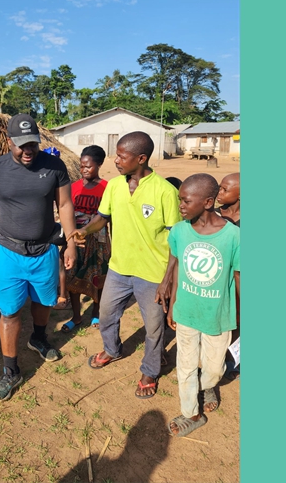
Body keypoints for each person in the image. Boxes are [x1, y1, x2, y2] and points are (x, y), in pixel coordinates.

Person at [71, 131, 181, 399]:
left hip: (153, 273)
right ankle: (112, 349)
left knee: (154, 327)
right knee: (107, 314)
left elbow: (177, 240)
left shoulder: (165, 191)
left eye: (122, 156)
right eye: (116, 155)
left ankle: (150, 371)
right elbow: (101, 217)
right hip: (118, 268)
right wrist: (85, 231)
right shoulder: (115, 186)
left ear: (141, 158)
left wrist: (167, 280)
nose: (116, 160)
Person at [0, 114, 78, 402]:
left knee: (44, 302)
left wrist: (70, 243)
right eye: (21, 145)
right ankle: (11, 371)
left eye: (32, 143)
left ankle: (39, 338)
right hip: (8, 252)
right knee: (9, 312)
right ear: (9, 142)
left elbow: (66, 204)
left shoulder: (54, 166)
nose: (27, 150)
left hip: (45, 249)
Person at [157, 174, 240, 437]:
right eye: (180, 199)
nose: (180, 205)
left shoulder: (234, 236)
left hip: (218, 315)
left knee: (215, 369)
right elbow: (178, 263)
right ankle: (191, 412)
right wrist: (172, 306)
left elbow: (239, 278)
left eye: (185, 200)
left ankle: (207, 386)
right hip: (187, 311)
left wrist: (241, 314)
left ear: (207, 202)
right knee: (186, 365)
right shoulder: (180, 231)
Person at [59, 145, 110, 332]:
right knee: (72, 275)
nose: (84, 170)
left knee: (98, 278)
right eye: (82, 166)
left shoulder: (107, 188)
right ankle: (76, 316)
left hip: (98, 240)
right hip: (76, 239)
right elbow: (67, 213)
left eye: (88, 166)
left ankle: (96, 312)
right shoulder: (73, 187)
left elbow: (109, 217)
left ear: (99, 164)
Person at [215, 172, 240, 375]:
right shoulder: (213, 216)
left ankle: (234, 358)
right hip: (218, 279)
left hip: (239, 278)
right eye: (219, 187)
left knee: (239, 318)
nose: (219, 193)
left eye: (224, 189)